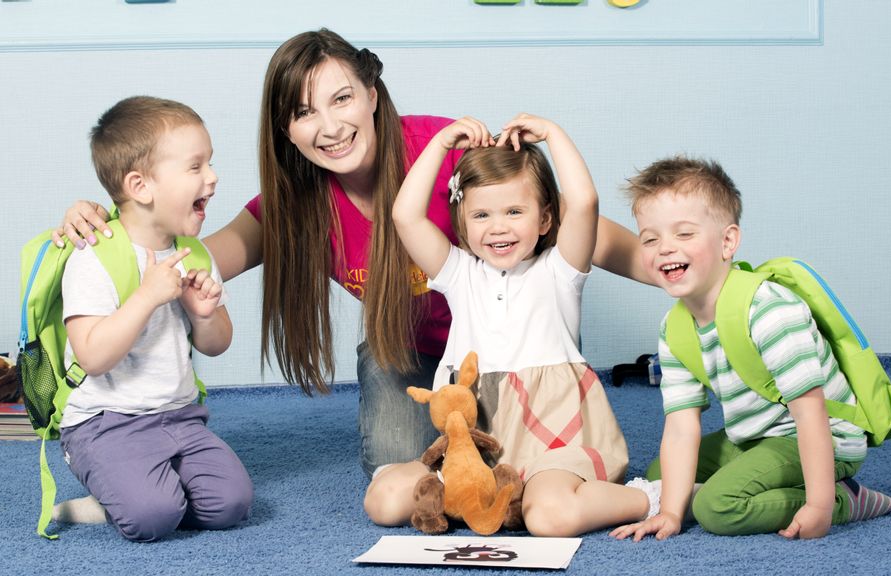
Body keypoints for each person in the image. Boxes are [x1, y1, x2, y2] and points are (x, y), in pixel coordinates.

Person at [52, 29, 650, 479]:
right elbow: (189, 258)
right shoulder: (294, 205)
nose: (329, 126)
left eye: (341, 99)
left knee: (533, 466)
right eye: (304, 112)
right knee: (401, 468)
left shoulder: (440, 150)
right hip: (407, 353)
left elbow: (567, 227)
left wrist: (668, 263)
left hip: (511, 348)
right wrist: (109, 220)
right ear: (285, 129)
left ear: (371, 93)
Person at [366, 114, 658, 537]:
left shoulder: (560, 271)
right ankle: (484, 494)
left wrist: (554, 134)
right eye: (481, 214)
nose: (498, 226)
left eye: (515, 211)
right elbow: (405, 215)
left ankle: (653, 496)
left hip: (554, 441)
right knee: (384, 501)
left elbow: (584, 203)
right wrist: (442, 144)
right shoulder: (459, 272)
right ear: (462, 223)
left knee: (550, 517)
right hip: (477, 446)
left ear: (544, 220)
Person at [610, 156, 891, 542]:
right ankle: (756, 480)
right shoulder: (674, 327)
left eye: (684, 234)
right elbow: (681, 428)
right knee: (662, 476)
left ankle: (847, 499)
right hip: (753, 435)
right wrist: (670, 513)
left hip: (819, 435)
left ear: (727, 241)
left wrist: (819, 505)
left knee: (716, 508)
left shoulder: (770, 310)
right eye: (650, 238)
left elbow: (810, 412)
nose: (664, 249)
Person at [54, 96, 252, 542]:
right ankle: (110, 492)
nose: (213, 177)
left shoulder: (193, 252)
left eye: (210, 163)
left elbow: (217, 343)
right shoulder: (93, 258)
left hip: (179, 416)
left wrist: (205, 314)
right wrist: (146, 297)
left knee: (231, 504)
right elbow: (92, 357)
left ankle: (139, 482)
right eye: (196, 166)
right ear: (141, 186)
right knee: (152, 517)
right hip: (106, 423)